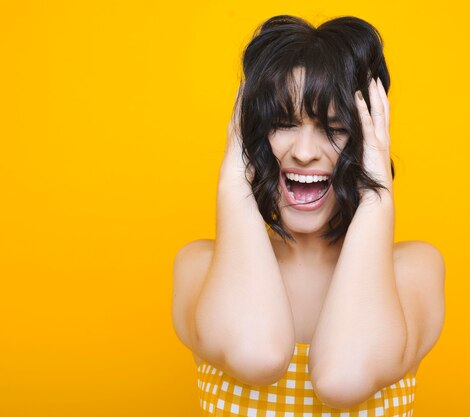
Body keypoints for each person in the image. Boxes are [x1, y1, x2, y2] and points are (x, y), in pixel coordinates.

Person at [172, 14, 445, 415]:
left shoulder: (413, 271)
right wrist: (232, 185)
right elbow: (257, 354)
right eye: (282, 123)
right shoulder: (199, 266)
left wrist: (376, 194)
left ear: (369, 139)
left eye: (334, 127)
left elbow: (342, 379)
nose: (303, 151)